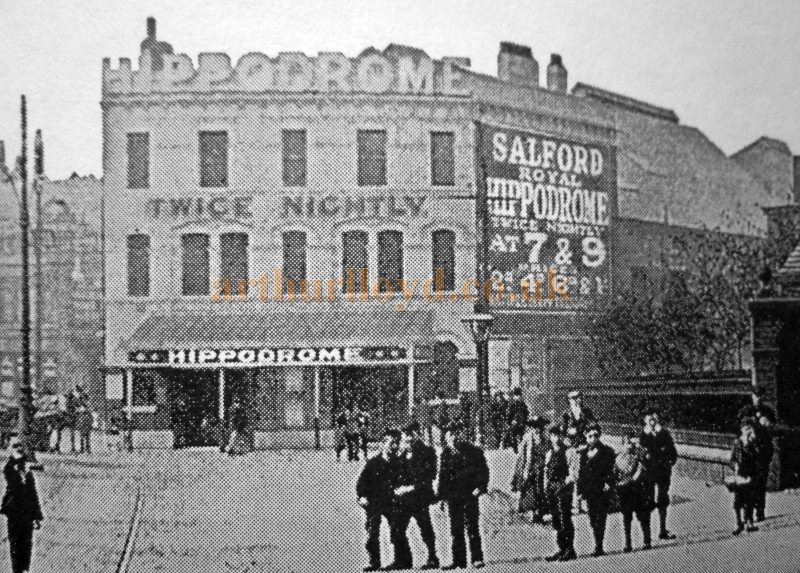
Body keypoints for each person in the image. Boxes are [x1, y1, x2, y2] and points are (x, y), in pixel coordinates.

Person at [438, 422, 489, 570]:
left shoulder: (474, 452)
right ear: (446, 437)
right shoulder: (445, 454)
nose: (453, 438)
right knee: (456, 529)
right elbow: (443, 477)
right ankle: (459, 561)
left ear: (460, 435)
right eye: (449, 435)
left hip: (470, 495)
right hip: (453, 497)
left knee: (472, 527)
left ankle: (477, 558)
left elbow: (483, 471)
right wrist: (442, 497)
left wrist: (480, 487)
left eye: (455, 434)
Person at [391, 421, 439, 570]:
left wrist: (410, 487)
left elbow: (430, 475)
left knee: (425, 528)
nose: (408, 440)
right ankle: (402, 560)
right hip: (404, 499)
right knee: (397, 528)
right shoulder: (401, 454)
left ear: (417, 435)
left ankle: (433, 558)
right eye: (406, 438)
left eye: (411, 437)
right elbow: (396, 474)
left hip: (420, 497)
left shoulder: (428, 452)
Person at [356, 428, 402, 572]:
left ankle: (400, 561)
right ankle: (375, 562)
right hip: (375, 502)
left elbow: (405, 481)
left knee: (397, 531)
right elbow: (362, 483)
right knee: (372, 533)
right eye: (389, 442)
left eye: (395, 443)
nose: (392, 446)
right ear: (383, 443)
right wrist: (362, 496)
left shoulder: (399, 463)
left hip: (392, 502)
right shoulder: (373, 463)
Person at [1, 440, 43, 573]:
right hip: (14, 512)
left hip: (27, 514)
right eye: (15, 446)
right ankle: (17, 570)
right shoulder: (9, 468)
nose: (19, 448)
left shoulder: (27, 470)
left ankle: (25, 569)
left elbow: (33, 494)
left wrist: (37, 516)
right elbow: (13, 483)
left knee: (27, 543)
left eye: (20, 446)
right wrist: (21, 465)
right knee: (15, 544)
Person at [737, 384, 776, 522]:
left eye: (760, 396)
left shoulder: (768, 411)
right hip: (750, 452)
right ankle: (748, 512)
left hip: (763, 451)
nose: (758, 398)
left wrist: (769, 424)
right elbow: (739, 425)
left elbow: (774, 427)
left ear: (763, 397)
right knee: (750, 482)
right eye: (756, 395)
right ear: (752, 396)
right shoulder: (746, 410)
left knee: (762, 481)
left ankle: (760, 511)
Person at [577, 424, 616, 557]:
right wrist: (580, 491)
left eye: (595, 435)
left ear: (599, 436)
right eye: (590, 436)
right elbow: (581, 474)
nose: (593, 438)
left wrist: (609, 483)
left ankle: (599, 545)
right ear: (586, 436)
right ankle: (597, 541)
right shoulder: (583, 453)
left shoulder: (607, 452)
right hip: (589, 490)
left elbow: (612, 470)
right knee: (592, 517)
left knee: (601, 517)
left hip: (601, 489)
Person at [639, 411, 678, 540]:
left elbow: (672, 450)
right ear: (645, 420)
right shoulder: (643, 435)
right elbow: (641, 452)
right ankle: (647, 534)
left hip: (663, 471)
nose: (652, 421)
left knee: (663, 498)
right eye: (649, 418)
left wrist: (670, 462)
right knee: (648, 500)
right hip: (649, 472)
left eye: (654, 418)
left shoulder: (664, 433)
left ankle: (662, 530)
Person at [543, 425, 576, 562]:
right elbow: (546, 471)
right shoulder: (549, 453)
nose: (555, 438)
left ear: (561, 436)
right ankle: (561, 548)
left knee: (565, 519)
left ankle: (570, 549)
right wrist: (546, 487)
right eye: (552, 435)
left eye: (557, 435)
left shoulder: (568, 452)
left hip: (564, 490)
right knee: (556, 520)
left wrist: (563, 486)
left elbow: (573, 474)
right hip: (552, 489)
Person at [614, 433, 651, 552]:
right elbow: (616, 474)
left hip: (637, 491)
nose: (630, 446)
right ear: (623, 444)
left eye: (632, 443)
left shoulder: (638, 457)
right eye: (627, 443)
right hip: (624, 492)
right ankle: (628, 543)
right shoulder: (618, 458)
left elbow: (640, 473)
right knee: (626, 517)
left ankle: (647, 540)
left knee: (642, 516)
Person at [511, 416, 548, 523]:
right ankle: (533, 512)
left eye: (540, 426)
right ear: (532, 427)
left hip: (540, 467)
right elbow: (528, 455)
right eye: (536, 426)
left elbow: (546, 452)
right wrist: (526, 470)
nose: (538, 429)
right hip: (530, 467)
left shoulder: (544, 437)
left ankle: (539, 512)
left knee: (540, 489)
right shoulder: (529, 437)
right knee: (531, 490)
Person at [729, 419, 761, 535]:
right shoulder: (737, 443)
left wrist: (750, 444)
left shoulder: (753, 444)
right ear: (742, 430)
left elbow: (757, 459)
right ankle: (738, 523)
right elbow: (732, 460)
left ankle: (749, 522)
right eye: (746, 429)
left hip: (750, 476)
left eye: (750, 429)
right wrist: (734, 466)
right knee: (737, 502)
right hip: (739, 476)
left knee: (750, 501)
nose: (747, 431)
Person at [506, 388, 528, 453]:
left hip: (521, 422)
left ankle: (522, 449)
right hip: (514, 422)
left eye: (519, 396)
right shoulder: (512, 404)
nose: (517, 397)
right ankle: (515, 449)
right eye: (516, 396)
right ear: (514, 396)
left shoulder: (523, 404)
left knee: (521, 436)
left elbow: (526, 413)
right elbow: (509, 414)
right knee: (514, 436)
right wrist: (510, 421)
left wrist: (524, 421)